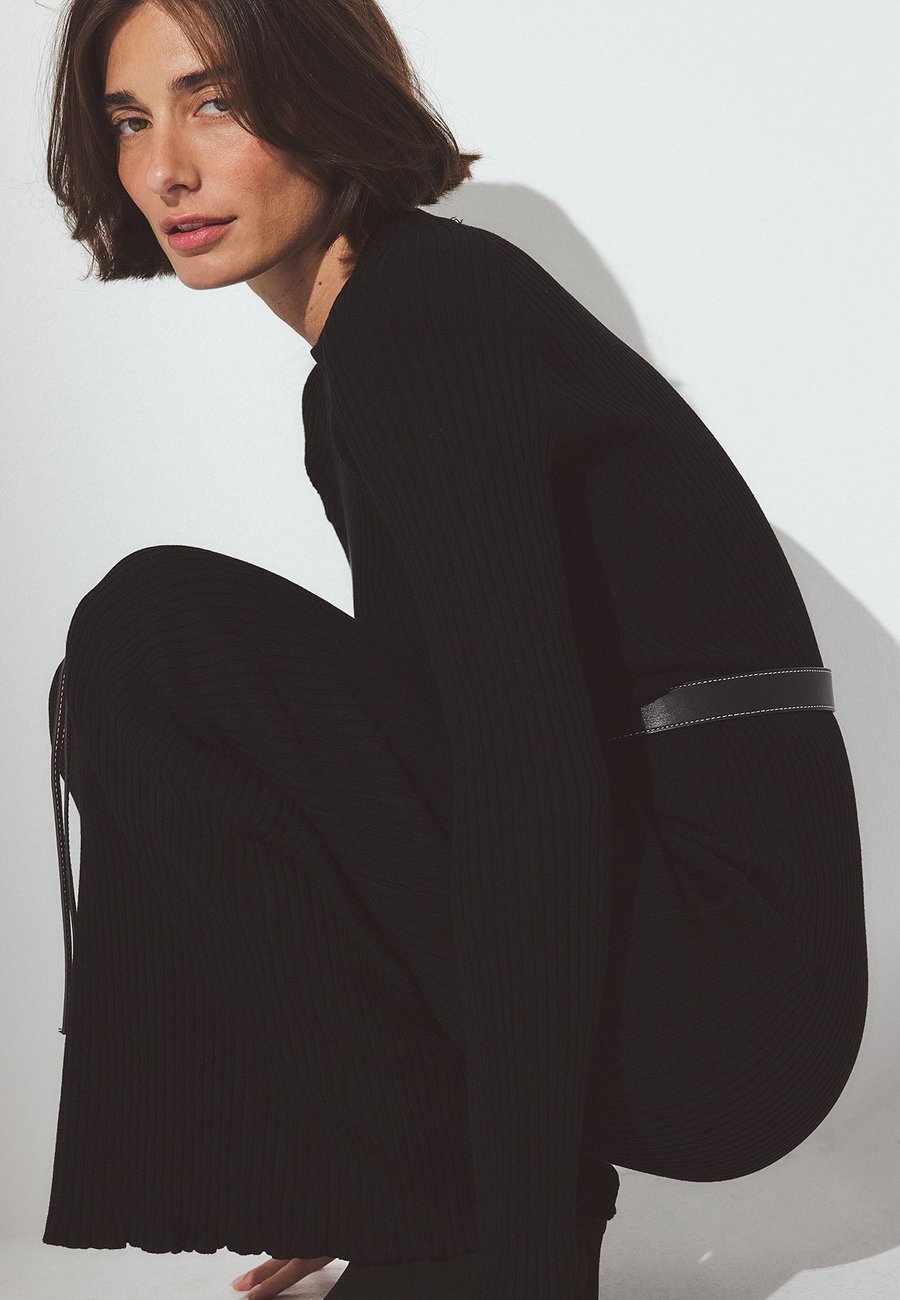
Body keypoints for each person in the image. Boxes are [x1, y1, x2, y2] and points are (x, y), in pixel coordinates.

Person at [41, 2, 868, 1299]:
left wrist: (512, 1236)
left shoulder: (423, 314)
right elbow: (423, 771)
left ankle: (457, 1215)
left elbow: (525, 782)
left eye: (216, 102)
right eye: (131, 120)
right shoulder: (373, 357)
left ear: (322, 97)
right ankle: (422, 1186)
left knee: (156, 638)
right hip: (705, 974)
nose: (165, 170)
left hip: (722, 992)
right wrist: (371, 1163)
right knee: (176, 651)